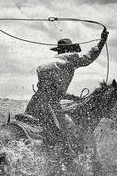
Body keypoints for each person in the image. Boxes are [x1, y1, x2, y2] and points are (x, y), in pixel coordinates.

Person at [24, 28, 109, 169]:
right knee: (66, 132)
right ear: (70, 50)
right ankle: (63, 163)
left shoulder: (47, 63)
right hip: (51, 103)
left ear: (59, 51)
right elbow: (89, 57)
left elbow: (48, 88)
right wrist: (102, 41)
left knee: (26, 119)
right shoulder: (71, 60)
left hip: (36, 100)